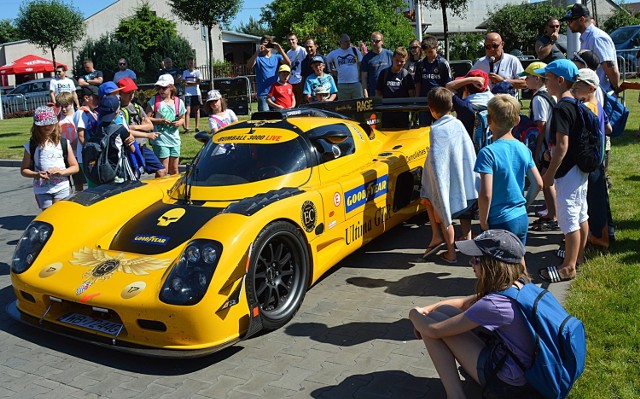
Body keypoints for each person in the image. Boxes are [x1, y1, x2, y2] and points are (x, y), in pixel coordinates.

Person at [409, 229, 538, 399]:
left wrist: (414, 314)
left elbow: (434, 330)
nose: (470, 263)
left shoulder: (494, 305)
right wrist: (428, 309)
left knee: (429, 325)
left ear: (492, 265)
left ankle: (455, 395)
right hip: (525, 371)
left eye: (476, 259)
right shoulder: (519, 287)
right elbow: (464, 303)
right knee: (441, 312)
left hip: (508, 384)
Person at [535, 59, 587, 283]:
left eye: (547, 78)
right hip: (578, 168)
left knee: (569, 219)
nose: (545, 81)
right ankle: (578, 256)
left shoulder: (561, 108)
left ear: (560, 80)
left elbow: (563, 145)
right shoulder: (574, 103)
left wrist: (548, 174)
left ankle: (568, 267)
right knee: (580, 214)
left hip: (568, 171)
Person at [475, 95, 543, 246]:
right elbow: (538, 183)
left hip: (498, 219)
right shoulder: (523, 148)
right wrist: (524, 206)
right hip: (520, 217)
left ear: (489, 120)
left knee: (497, 267)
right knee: (519, 262)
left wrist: (483, 221)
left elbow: (486, 194)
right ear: (518, 120)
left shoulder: (487, 153)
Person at [420, 87, 479, 263]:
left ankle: (450, 252)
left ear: (431, 108)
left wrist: (438, 182)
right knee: (463, 209)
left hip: (446, 178)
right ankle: (467, 240)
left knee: (439, 207)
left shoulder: (436, 130)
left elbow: (438, 161)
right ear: (451, 105)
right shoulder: (457, 123)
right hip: (463, 177)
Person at [570, 68, 614, 250]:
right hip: (598, 158)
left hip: (591, 160)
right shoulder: (598, 106)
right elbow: (609, 128)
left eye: (577, 86)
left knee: (593, 201)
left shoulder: (587, 108)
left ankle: (599, 237)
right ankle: (604, 234)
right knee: (599, 198)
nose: (573, 89)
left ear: (589, 88)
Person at [519, 62, 559, 232]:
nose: (525, 80)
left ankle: (554, 215)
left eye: (527, 77)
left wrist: (537, 151)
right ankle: (552, 213)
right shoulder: (550, 95)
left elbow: (541, 125)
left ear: (537, 78)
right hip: (552, 142)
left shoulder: (538, 98)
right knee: (548, 180)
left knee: (546, 181)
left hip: (545, 145)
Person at [20, 105, 79, 210]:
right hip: (42, 189)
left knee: (60, 215)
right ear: (36, 126)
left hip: (62, 186)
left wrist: (62, 172)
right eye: (43, 125)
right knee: (47, 215)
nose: (47, 127)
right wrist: (37, 174)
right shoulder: (31, 146)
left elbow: (75, 167)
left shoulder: (63, 143)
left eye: (50, 124)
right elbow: (24, 170)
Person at [561, 3, 620, 95]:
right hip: (593, 92)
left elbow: (611, 69)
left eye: (570, 21)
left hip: (601, 94)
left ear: (581, 19)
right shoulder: (588, 37)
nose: (568, 25)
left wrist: (614, 89)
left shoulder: (597, 38)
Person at [117, 77, 167, 178]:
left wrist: (133, 127)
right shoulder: (118, 111)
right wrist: (144, 130)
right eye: (127, 93)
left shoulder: (137, 108)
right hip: (130, 148)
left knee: (162, 171)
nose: (131, 95)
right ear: (120, 93)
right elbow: (125, 131)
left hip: (142, 146)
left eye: (133, 92)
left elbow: (150, 125)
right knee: (134, 176)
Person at [90, 95, 137, 184]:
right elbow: (132, 150)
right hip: (119, 171)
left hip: (104, 171)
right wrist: (131, 138)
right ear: (117, 111)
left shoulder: (99, 128)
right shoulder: (120, 129)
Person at [145, 74, 186, 175]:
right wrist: (159, 121)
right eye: (159, 88)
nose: (161, 90)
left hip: (174, 140)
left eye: (164, 87)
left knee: (174, 170)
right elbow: (146, 118)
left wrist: (178, 123)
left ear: (171, 87)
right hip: (160, 140)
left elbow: (183, 118)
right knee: (163, 170)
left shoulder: (178, 102)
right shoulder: (154, 101)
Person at [414, 35, 453, 125]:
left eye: (430, 51)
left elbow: (448, 84)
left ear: (436, 47)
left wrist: (448, 101)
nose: (429, 54)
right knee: (424, 128)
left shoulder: (443, 63)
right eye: (426, 52)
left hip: (440, 102)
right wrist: (417, 99)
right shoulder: (420, 64)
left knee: (440, 128)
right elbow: (418, 83)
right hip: (424, 102)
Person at [247, 35, 292, 112]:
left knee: (279, 116)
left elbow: (288, 63)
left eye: (269, 44)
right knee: (265, 117)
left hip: (276, 92)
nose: (267, 46)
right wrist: (257, 52)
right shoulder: (258, 58)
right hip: (263, 93)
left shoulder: (276, 57)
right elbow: (249, 66)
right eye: (265, 43)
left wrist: (279, 49)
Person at [445, 69, 493, 137]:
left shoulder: (463, 106)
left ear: (466, 88)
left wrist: (470, 79)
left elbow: (448, 86)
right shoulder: (494, 103)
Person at [375, 47, 415, 129]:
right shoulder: (384, 73)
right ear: (392, 58)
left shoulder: (407, 75)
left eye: (402, 61)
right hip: (386, 113)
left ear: (405, 61)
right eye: (397, 60)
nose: (399, 63)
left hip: (402, 114)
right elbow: (378, 92)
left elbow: (412, 95)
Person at [73, 85, 100, 188]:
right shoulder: (81, 113)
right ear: (86, 98)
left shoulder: (94, 112)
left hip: (95, 152)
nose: (98, 100)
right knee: (93, 185)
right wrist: (90, 151)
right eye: (95, 97)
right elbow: (81, 135)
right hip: (88, 156)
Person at [56, 92, 83, 191]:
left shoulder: (76, 116)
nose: (63, 109)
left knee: (79, 181)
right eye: (61, 106)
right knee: (63, 182)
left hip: (76, 153)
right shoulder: (57, 119)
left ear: (71, 104)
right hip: (63, 154)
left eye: (66, 106)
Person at [326, 34, 363, 100]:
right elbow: (325, 61)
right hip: (342, 84)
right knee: (344, 107)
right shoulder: (335, 53)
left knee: (358, 105)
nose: (348, 43)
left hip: (355, 83)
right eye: (346, 41)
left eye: (349, 41)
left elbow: (361, 63)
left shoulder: (355, 51)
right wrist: (330, 70)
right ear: (341, 42)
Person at [361, 31, 393, 98]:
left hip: (389, 91)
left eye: (376, 41)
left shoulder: (389, 54)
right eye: (372, 41)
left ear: (382, 42)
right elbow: (364, 77)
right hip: (373, 93)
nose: (374, 43)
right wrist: (365, 93)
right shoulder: (366, 58)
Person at [182, 57, 203, 133]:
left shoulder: (198, 72)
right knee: (187, 111)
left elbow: (199, 81)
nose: (190, 64)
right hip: (188, 94)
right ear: (187, 64)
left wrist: (189, 83)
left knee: (197, 110)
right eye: (189, 63)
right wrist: (193, 83)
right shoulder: (185, 72)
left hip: (196, 93)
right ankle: (187, 128)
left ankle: (197, 127)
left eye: (192, 63)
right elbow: (184, 83)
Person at [286, 33, 307, 106]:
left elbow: (306, 62)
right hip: (291, 80)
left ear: (296, 40)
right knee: (293, 101)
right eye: (289, 40)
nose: (291, 42)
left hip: (300, 79)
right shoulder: (288, 53)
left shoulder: (302, 50)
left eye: (292, 39)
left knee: (301, 100)